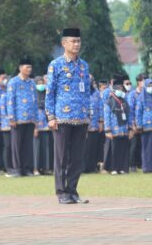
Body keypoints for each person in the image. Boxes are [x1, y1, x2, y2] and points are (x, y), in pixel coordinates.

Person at [45, 28, 90, 204]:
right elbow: (50, 92)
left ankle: (72, 190)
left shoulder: (84, 65)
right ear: (64, 43)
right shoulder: (55, 65)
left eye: (78, 41)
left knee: (77, 158)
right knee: (62, 157)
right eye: (73, 41)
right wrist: (50, 116)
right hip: (62, 118)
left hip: (80, 118)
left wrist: (88, 115)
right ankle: (61, 192)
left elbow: (86, 92)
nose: (76, 44)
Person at [6, 58, 38, 177]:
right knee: (16, 145)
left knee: (28, 145)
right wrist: (11, 117)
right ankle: (17, 169)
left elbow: (35, 101)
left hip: (30, 119)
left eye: (30, 67)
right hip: (18, 119)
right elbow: (10, 101)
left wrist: (36, 119)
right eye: (27, 67)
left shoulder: (31, 83)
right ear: (20, 68)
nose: (29, 69)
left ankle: (27, 169)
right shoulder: (13, 82)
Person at [104, 75, 133, 174]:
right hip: (114, 129)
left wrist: (130, 128)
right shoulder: (109, 101)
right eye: (119, 88)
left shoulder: (124, 101)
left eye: (122, 88)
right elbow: (106, 116)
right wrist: (107, 130)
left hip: (124, 129)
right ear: (115, 88)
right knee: (114, 150)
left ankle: (122, 168)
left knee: (123, 149)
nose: (121, 89)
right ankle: (114, 168)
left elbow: (129, 114)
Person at [83, 76, 104, 173]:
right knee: (84, 147)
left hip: (95, 124)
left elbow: (100, 107)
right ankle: (83, 167)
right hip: (84, 124)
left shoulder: (96, 93)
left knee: (94, 146)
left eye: (91, 79)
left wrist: (101, 122)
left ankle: (92, 167)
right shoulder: (81, 91)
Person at [33, 76, 53, 175]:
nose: (41, 85)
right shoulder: (33, 94)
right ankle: (35, 168)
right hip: (36, 124)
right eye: (39, 83)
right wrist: (35, 126)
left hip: (46, 124)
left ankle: (46, 168)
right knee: (36, 147)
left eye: (42, 82)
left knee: (46, 147)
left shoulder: (46, 93)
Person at [127, 73, 147, 172]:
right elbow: (130, 111)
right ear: (139, 82)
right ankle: (132, 165)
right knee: (134, 145)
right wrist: (132, 124)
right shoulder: (132, 94)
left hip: (146, 123)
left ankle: (142, 164)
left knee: (143, 145)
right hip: (135, 123)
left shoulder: (147, 94)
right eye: (143, 80)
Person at [0, 76, 12, 172]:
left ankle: (13, 165)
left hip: (15, 124)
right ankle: (7, 166)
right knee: (7, 146)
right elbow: (3, 112)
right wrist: (10, 120)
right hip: (6, 125)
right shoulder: (4, 96)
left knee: (13, 147)